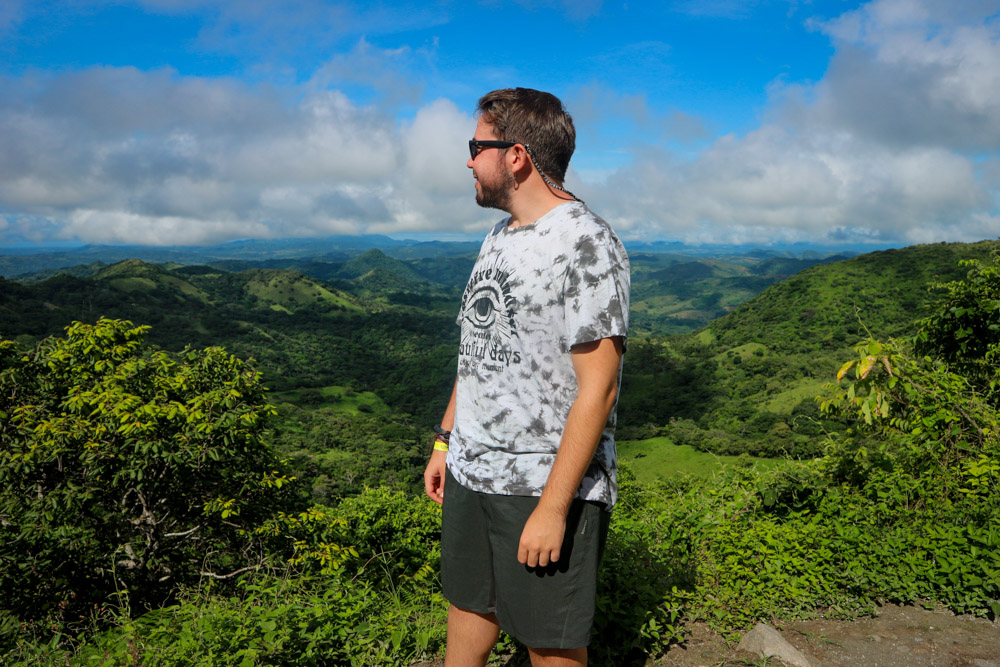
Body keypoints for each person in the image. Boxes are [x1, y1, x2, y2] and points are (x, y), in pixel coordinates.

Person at [423, 88, 630, 667]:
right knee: (468, 605)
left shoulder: (586, 243)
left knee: (550, 640)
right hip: (474, 470)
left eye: (476, 145)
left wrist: (554, 509)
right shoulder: (499, 237)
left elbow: (600, 387)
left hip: (541, 483)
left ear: (515, 155)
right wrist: (446, 440)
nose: (468, 160)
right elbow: (480, 351)